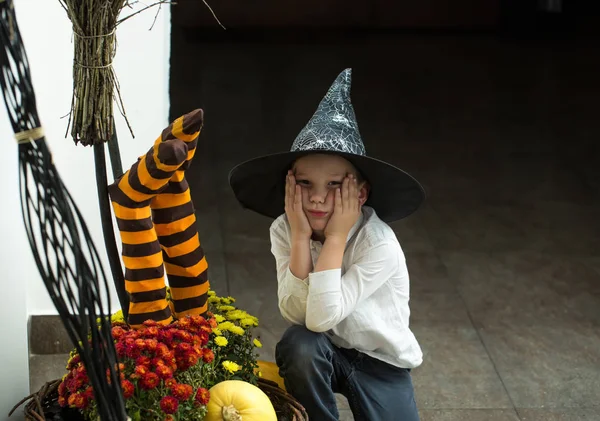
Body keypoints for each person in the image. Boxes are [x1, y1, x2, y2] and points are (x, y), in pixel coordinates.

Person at [229, 69, 425, 421]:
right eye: (305, 183)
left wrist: (334, 239)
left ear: (360, 193)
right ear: (289, 187)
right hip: (323, 349)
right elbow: (296, 314)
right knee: (298, 344)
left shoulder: (378, 243)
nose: (317, 198)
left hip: (381, 362)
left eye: (334, 185)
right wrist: (301, 238)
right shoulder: (285, 229)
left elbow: (322, 317)